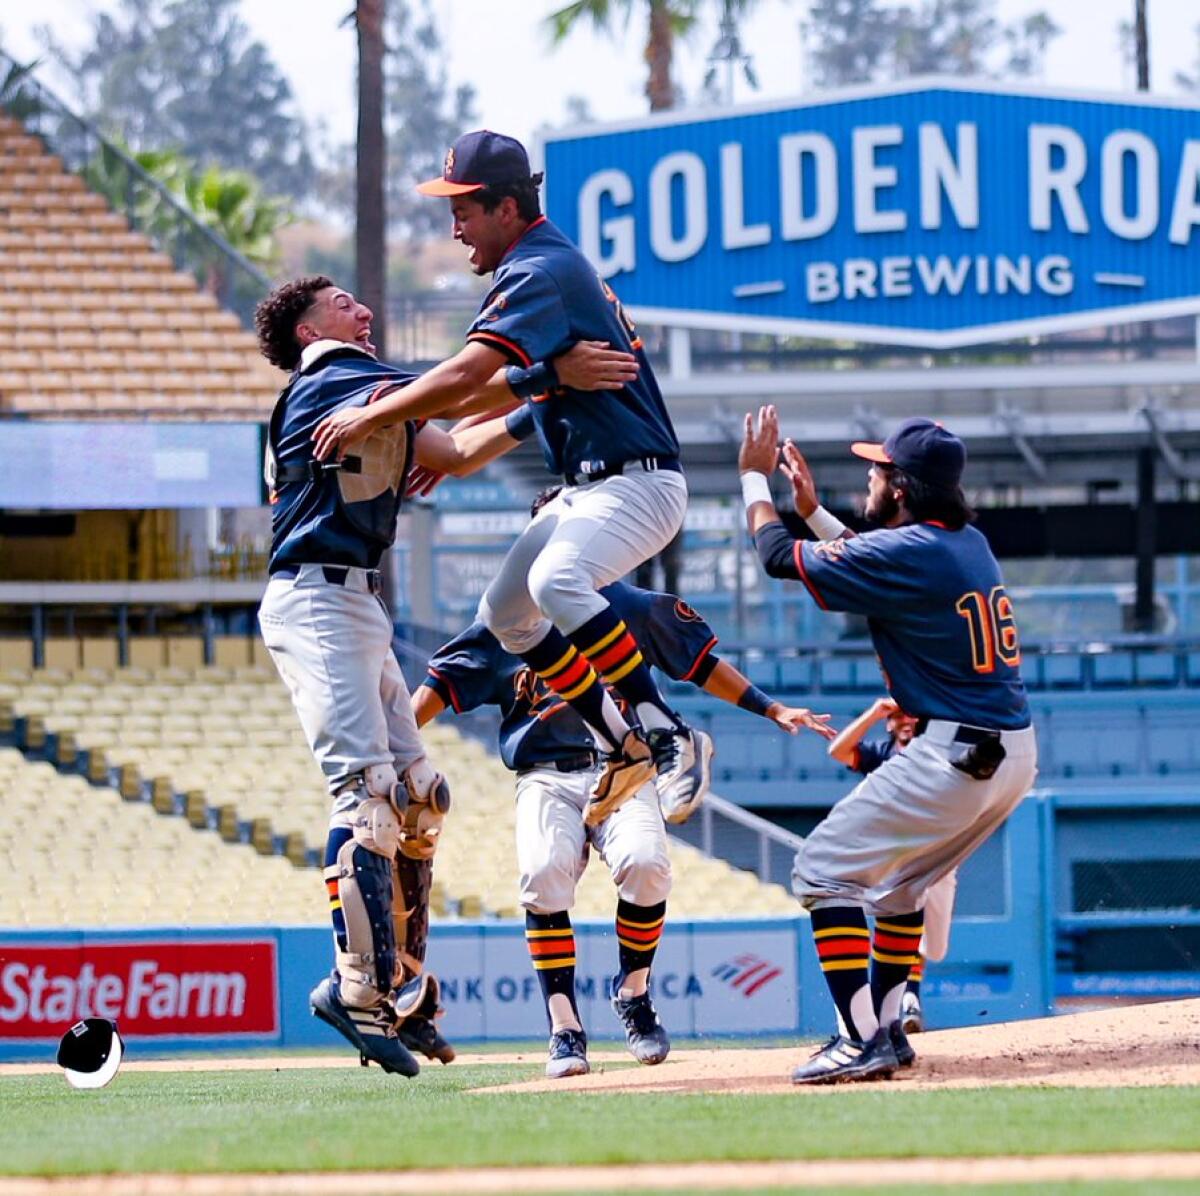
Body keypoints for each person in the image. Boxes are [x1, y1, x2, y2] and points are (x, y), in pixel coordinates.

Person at [253, 275, 637, 1076]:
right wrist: (551, 375)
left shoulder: (360, 388)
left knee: (421, 795)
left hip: (352, 598)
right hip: (316, 597)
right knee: (364, 800)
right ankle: (358, 988)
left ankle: (405, 981)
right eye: (342, 302)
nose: (362, 308)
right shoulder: (333, 374)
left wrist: (541, 407)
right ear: (307, 329)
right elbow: (462, 389)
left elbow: (456, 452)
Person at [309, 130, 713, 830]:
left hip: (637, 483)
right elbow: (491, 398)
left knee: (557, 582)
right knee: (507, 616)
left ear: (506, 207)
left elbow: (467, 380)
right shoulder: (542, 267)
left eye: (464, 209)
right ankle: (622, 743)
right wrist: (544, 380)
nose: (455, 227)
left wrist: (373, 413)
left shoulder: (539, 269)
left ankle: (666, 732)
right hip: (594, 486)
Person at [412, 487, 833, 1078]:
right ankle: (564, 1027)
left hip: (626, 765)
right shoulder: (504, 616)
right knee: (542, 874)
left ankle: (633, 993)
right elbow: (446, 681)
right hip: (546, 773)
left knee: (647, 865)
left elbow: (701, 663)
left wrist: (769, 708)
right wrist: (396, 742)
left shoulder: (627, 606)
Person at [738, 407, 1038, 1085]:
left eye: (878, 469)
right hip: (1009, 751)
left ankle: (857, 1037)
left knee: (820, 869)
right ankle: (890, 1032)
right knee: (901, 888)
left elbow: (779, 559)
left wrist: (755, 482)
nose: (868, 477)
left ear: (899, 487)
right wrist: (814, 514)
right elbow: (876, 562)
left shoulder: (915, 551)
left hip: (954, 752)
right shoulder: (965, 543)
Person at [827, 697, 957, 1034]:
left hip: (938, 855)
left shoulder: (936, 751)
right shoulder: (882, 756)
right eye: (898, 715)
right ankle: (905, 998)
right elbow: (838, 751)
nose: (905, 720)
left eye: (911, 713)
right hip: (895, 854)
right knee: (896, 915)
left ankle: (905, 993)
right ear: (890, 722)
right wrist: (874, 711)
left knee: (935, 947)